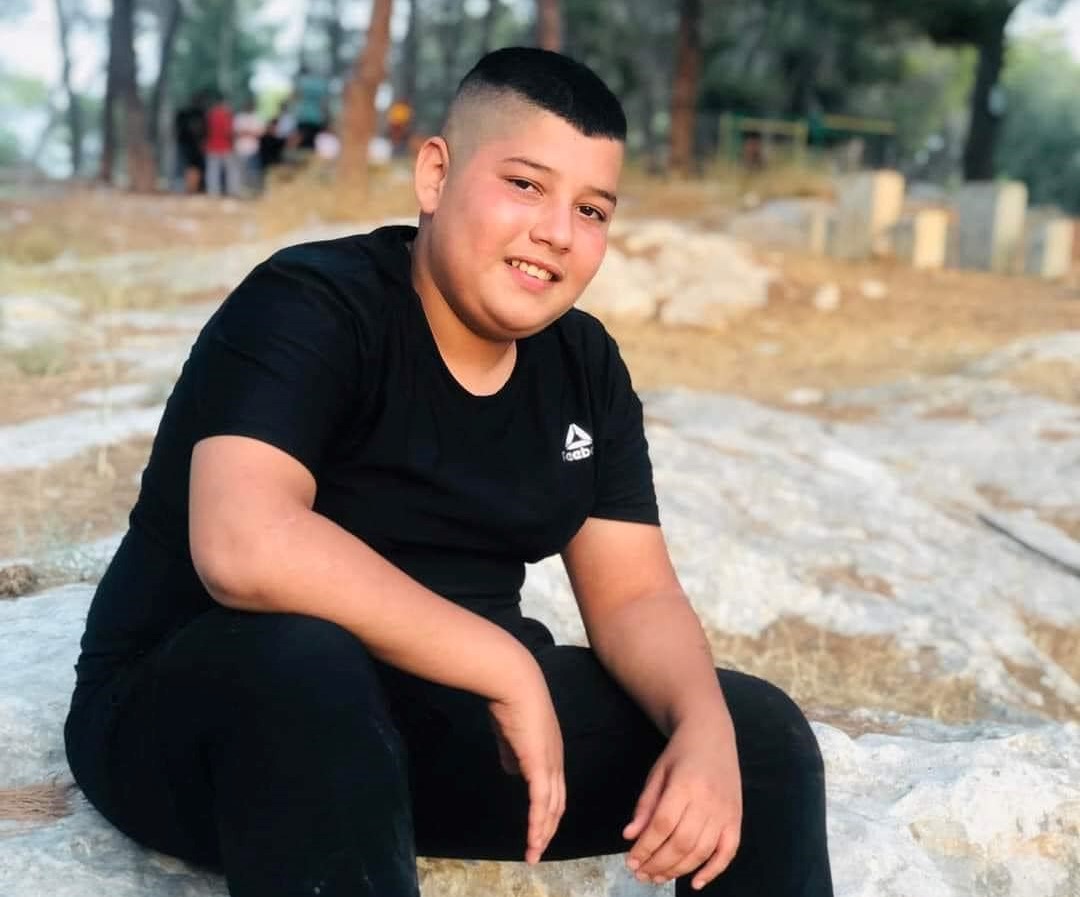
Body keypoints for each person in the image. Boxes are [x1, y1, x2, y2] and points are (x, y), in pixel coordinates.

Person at [63, 48, 833, 897]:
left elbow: (635, 595)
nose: (557, 232)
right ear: (435, 174)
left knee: (758, 739)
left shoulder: (584, 365)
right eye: (526, 185)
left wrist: (704, 727)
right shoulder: (309, 303)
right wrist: (502, 663)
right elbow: (244, 545)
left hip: (434, 720)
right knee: (304, 662)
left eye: (591, 209)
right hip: (202, 712)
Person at [204, 90, 238, 197]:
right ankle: (232, 190)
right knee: (231, 170)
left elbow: (205, 130)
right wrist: (233, 142)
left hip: (212, 145)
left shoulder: (210, 114)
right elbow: (228, 131)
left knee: (212, 171)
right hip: (225, 146)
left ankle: (213, 191)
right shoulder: (226, 114)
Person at [174, 91, 207, 194]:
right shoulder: (184, 114)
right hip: (185, 145)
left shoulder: (201, 114)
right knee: (183, 167)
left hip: (195, 146)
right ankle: (182, 188)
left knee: (195, 168)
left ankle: (195, 188)